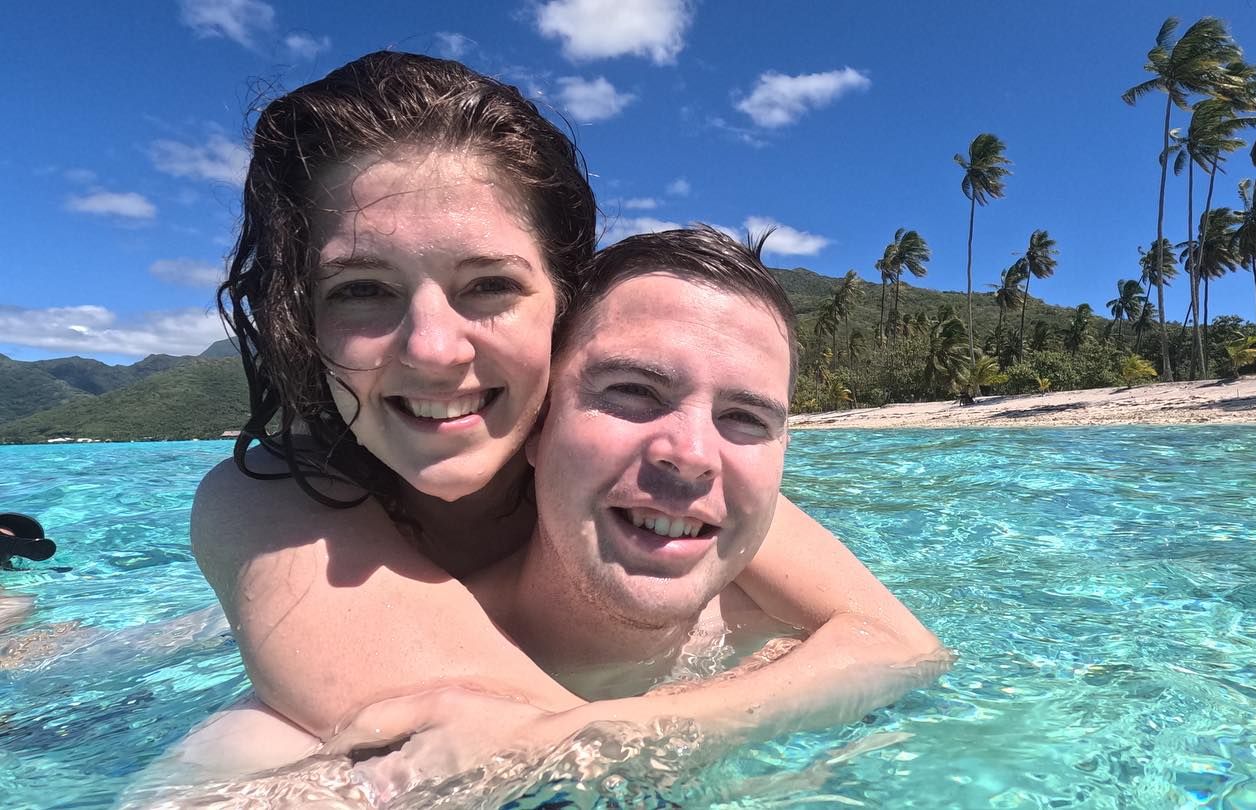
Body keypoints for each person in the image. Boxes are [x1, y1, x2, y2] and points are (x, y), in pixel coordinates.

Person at [188, 50, 943, 777]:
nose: (433, 350)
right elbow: (501, 743)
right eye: (360, 289)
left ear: (565, 306)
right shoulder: (272, 500)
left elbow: (901, 645)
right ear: (303, 320)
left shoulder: (656, 462)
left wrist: (624, 725)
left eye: (488, 284)